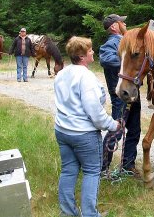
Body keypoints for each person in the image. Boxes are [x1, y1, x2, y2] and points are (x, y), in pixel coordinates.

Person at [54, 36, 120, 217]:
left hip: (62, 131)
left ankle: (67, 213)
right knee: (92, 172)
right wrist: (112, 124)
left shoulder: (62, 74)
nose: (93, 52)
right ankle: (90, 214)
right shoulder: (87, 77)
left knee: (68, 170)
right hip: (84, 134)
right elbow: (94, 111)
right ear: (82, 56)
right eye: (90, 50)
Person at [99, 14, 141, 175]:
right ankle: (102, 168)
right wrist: (128, 63)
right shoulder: (111, 43)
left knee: (134, 131)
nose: (125, 23)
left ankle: (128, 166)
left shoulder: (126, 42)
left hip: (133, 94)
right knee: (116, 131)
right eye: (122, 22)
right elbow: (106, 60)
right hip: (121, 96)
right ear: (114, 27)